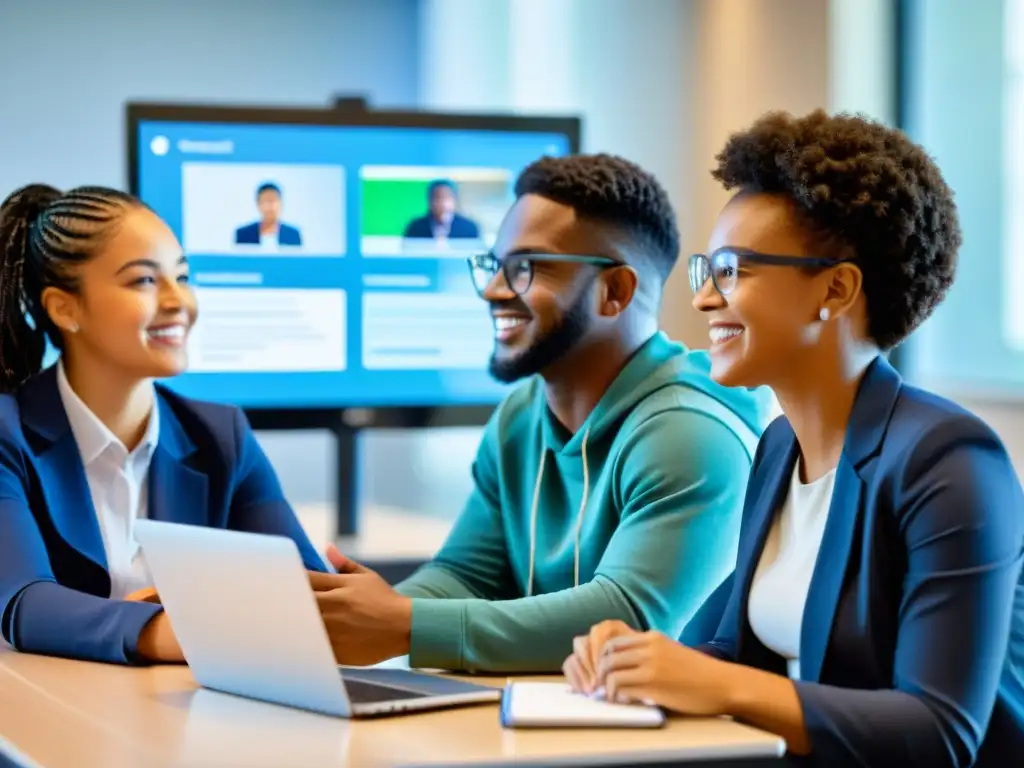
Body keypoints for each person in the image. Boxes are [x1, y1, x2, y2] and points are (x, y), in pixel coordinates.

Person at [563, 110, 1024, 766]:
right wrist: (633, 660)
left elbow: (939, 731)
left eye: (732, 271)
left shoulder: (949, 464)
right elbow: (732, 650)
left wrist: (711, 681)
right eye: (705, 271)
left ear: (835, 289)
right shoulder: (780, 448)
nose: (703, 300)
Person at [308, 153, 773, 672]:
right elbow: (467, 575)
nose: (493, 290)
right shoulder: (520, 416)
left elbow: (629, 620)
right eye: (494, 266)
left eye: (525, 268)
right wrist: (349, 617)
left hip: (678, 744)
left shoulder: (690, 431)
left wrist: (402, 625)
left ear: (615, 291)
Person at [0, 184, 327, 666]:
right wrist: (185, 631)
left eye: (183, 277)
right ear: (65, 308)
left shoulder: (221, 436)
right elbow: (24, 603)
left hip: (188, 715)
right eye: (144, 282)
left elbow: (310, 600)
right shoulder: (10, 432)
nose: (180, 302)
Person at [402, 179, 480, 240]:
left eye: (446, 197)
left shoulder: (468, 227)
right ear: (429, 200)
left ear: (455, 199)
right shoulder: (415, 227)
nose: (442, 202)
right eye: (437, 197)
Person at [234, 182, 302, 246]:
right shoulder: (243, 234)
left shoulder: (293, 234)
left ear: (281, 204)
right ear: (258, 204)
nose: (269, 206)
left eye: (272, 201)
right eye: (266, 201)